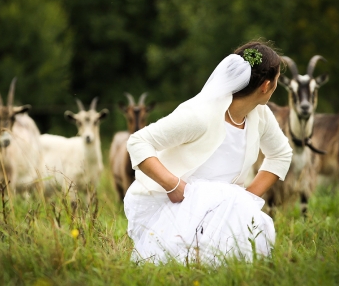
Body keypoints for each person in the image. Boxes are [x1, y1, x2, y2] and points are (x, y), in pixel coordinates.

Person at [124, 40, 293, 265]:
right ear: (266, 86)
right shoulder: (200, 115)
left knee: (249, 254)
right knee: (197, 262)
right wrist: (174, 185)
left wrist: (247, 198)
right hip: (175, 205)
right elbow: (138, 142)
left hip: (223, 207)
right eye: (277, 81)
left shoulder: (259, 114)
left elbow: (281, 154)